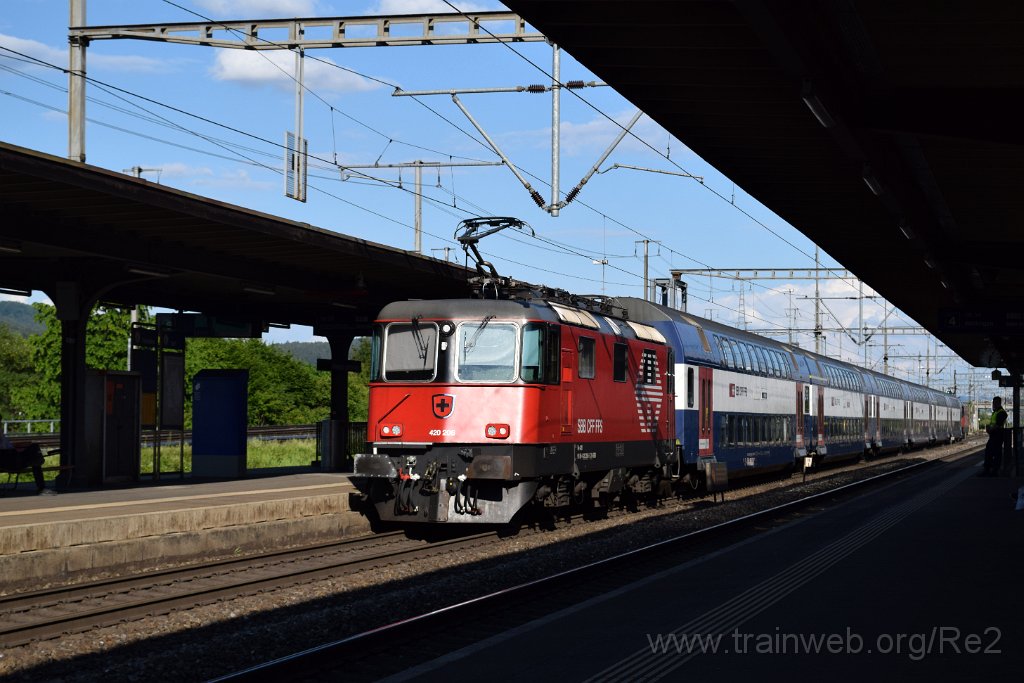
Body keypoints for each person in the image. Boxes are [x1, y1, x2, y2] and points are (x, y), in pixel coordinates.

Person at [0, 412, 46, 493]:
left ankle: (41, 487)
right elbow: (4, 447)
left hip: (11, 458)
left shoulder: (1, 433)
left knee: (34, 459)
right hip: (10, 461)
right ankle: (41, 487)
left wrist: (19, 446)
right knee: (34, 450)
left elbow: (8, 446)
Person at [982, 396, 1008, 476]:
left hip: (998, 435)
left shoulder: (1001, 412)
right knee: (990, 452)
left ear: (998, 403)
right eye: (993, 403)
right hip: (993, 435)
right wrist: (988, 428)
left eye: (994, 403)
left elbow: (998, 425)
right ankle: (989, 469)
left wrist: (990, 429)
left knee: (996, 453)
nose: (993, 404)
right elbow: (994, 424)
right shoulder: (995, 412)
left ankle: (993, 471)